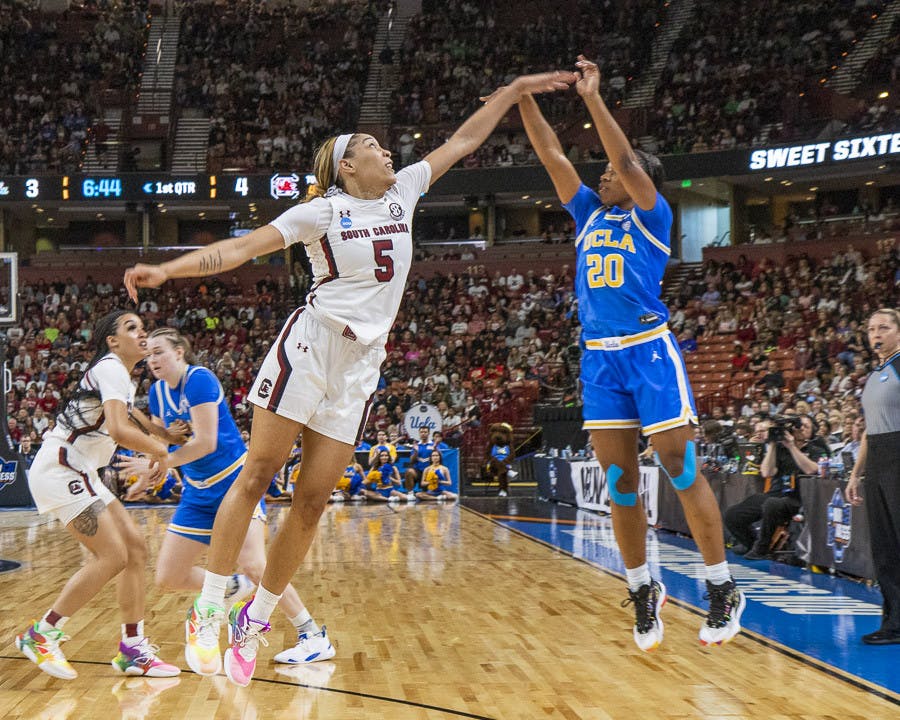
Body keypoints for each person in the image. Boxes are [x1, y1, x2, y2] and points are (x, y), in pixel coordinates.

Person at [122, 69, 574, 687]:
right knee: (258, 473)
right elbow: (243, 248)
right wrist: (170, 270)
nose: (386, 150)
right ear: (346, 169)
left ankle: (255, 621)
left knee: (311, 501)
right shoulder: (322, 211)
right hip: (311, 346)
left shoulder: (405, 189)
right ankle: (209, 609)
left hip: (363, 364)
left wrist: (514, 90)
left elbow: (465, 141)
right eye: (370, 146)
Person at [509, 55, 744, 650]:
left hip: (648, 352)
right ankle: (643, 589)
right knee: (619, 482)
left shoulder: (652, 213)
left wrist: (592, 98)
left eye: (612, 173)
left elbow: (624, 161)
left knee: (680, 468)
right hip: (599, 359)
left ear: (637, 178)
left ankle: (721, 587)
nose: (602, 177)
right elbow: (552, 156)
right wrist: (521, 97)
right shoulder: (589, 213)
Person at [118, 328, 334, 669]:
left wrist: (158, 461)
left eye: (158, 352)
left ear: (179, 352)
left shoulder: (200, 380)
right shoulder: (158, 391)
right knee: (168, 577)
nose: (152, 360)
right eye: (148, 355)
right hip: (197, 492)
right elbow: (165, 443)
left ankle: (311, 634)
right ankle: (233, 588)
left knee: (255, 563)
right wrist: (150, 471)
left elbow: (205, 442)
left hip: (234, 485)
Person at [15, 311, 181, 680]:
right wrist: (161, 452)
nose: (142, 333)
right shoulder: (110, 368)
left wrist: (170, 439)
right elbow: (121, 430)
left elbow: (136, 419)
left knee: (135, 548)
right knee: (113, 555)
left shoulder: (120, 378)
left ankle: (133, 649)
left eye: (143, 327)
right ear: (112, 340)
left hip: (81, 472)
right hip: (61, 469)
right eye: (131, 328)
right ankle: (41, 635)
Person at [846, 308, 900, 645]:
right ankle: (894, 623)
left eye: (883, 327)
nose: (875, 334)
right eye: (870, 329)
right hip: (879, 457)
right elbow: (868, 430)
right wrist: (855, 474)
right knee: (885, 546)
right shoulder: (876, 373)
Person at [724, 415, 829, 559]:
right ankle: (750, 543)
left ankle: (761, 549)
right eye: (799, 426)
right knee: (733, 514)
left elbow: (811, 470)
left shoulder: (816, 449)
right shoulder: (780, 448)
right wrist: (773, 445)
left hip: (800, 497)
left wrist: (792, 447)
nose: (801, 429)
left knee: (771, 504)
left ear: (813, 431)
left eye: (806, 427)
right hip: (777, 493)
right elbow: (767, 472)